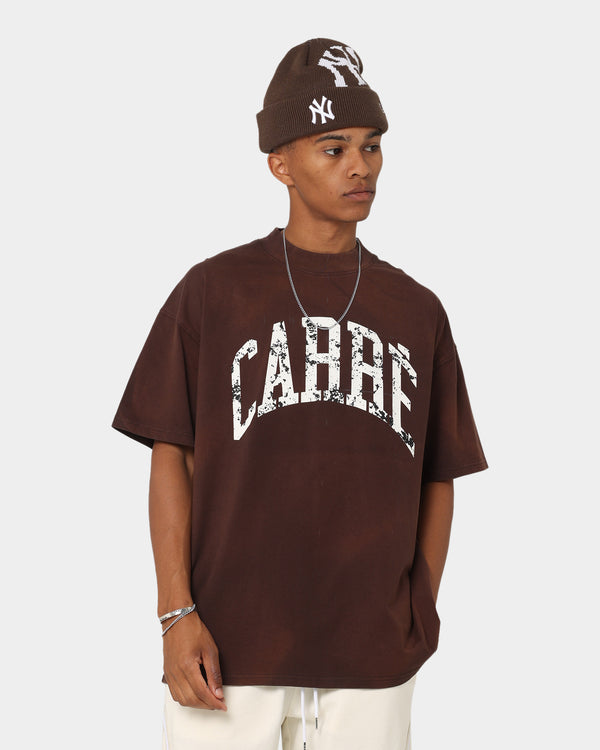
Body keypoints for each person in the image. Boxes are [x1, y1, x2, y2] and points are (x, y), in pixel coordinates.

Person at [112, 38, 488, 750]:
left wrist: (419, 610)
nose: (360, 166)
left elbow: (439, 472)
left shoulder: (416, 310)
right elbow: (171, 456)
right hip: (226, 646)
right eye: (333, 148)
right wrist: (175, 614)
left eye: (371, 146)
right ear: (279, 163)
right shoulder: (213, 292)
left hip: (372, 655)